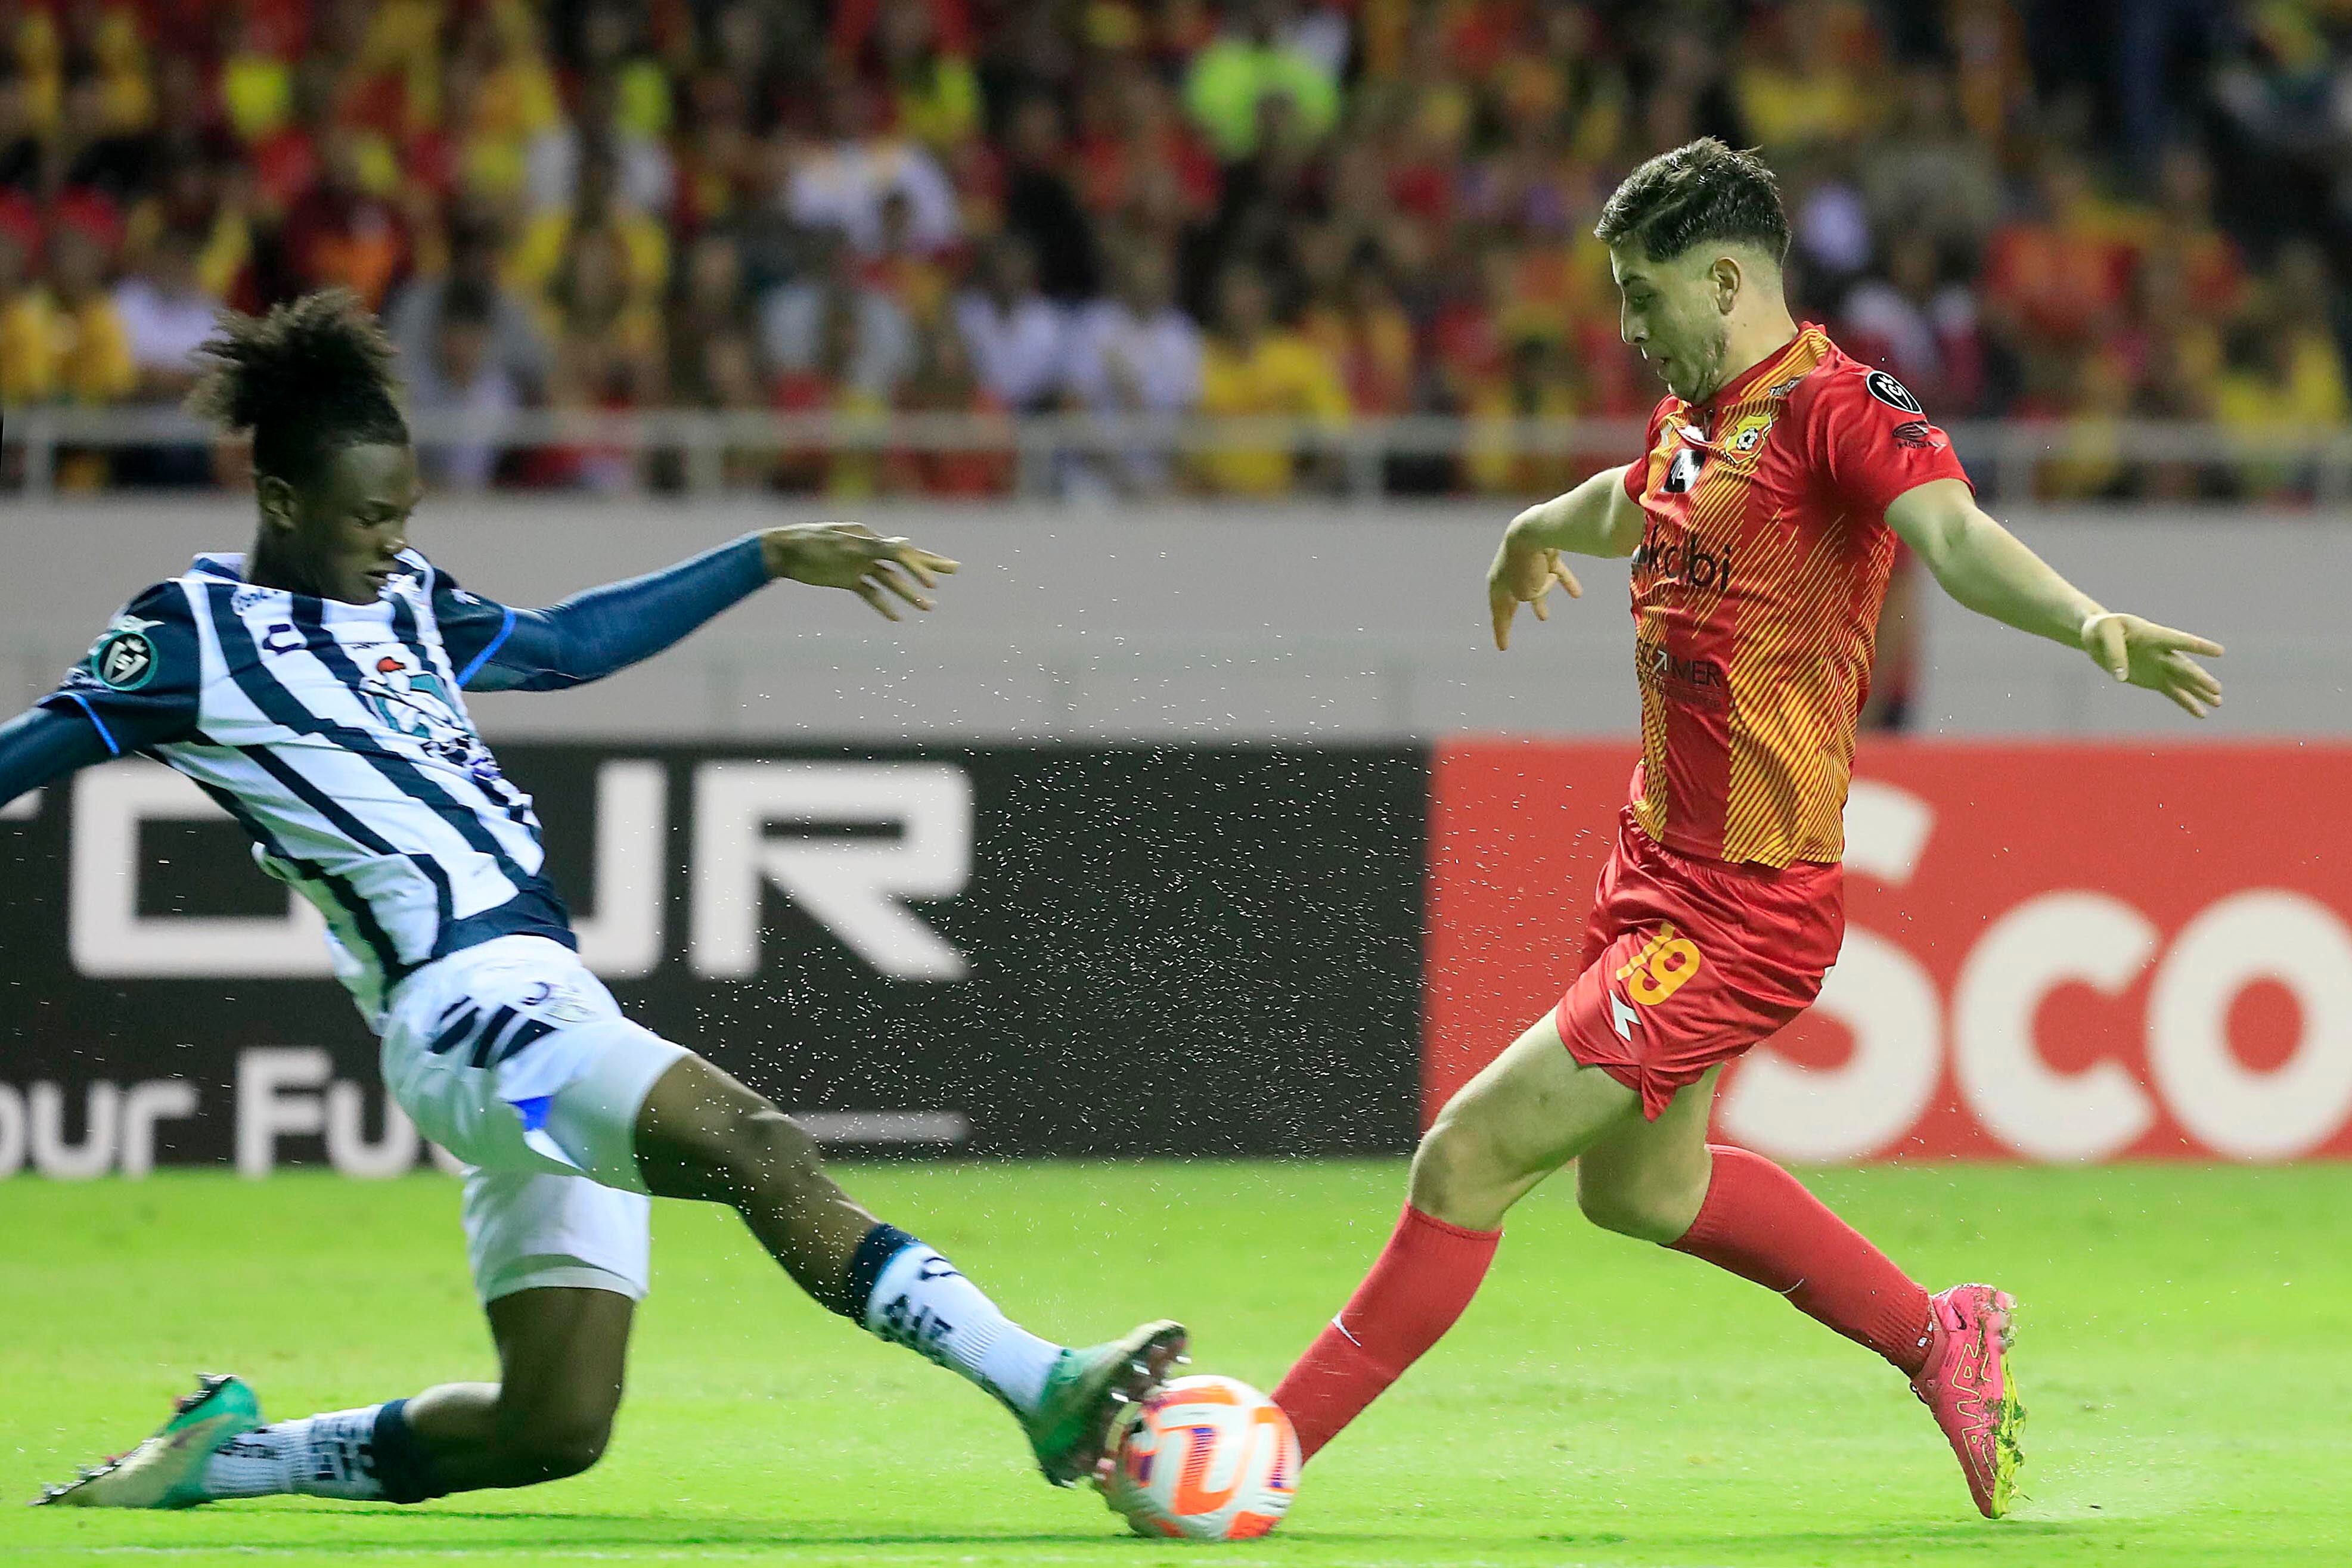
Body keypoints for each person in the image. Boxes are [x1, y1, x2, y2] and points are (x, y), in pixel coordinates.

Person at [17, 289, 1184, 1510]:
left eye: (404, 513)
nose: (391, 540)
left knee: (553, 1425)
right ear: (279, 502)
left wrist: (764, 555)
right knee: (757, 1145)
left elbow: (568, 646)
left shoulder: (402, 600)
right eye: (368, 516)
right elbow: (30, 751)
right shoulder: (191, 636)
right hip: (467, 1021)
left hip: (545, 1005)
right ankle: (1042, 1380)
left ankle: (233, 1455)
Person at [1270, 139, 2224, 1522]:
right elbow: (1628, 499)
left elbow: (1953, 538)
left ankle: (1257, 1453)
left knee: (1464, 1155)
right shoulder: (1693, 416)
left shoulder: (1841, 408)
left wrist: (2084, 622)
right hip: (1650, 872)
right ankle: (1936, 1334)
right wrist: (1531, 530)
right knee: (1638, 1192)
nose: (1623, 325)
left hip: (1742, 902)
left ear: (1723, 280)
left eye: (1639, 294)